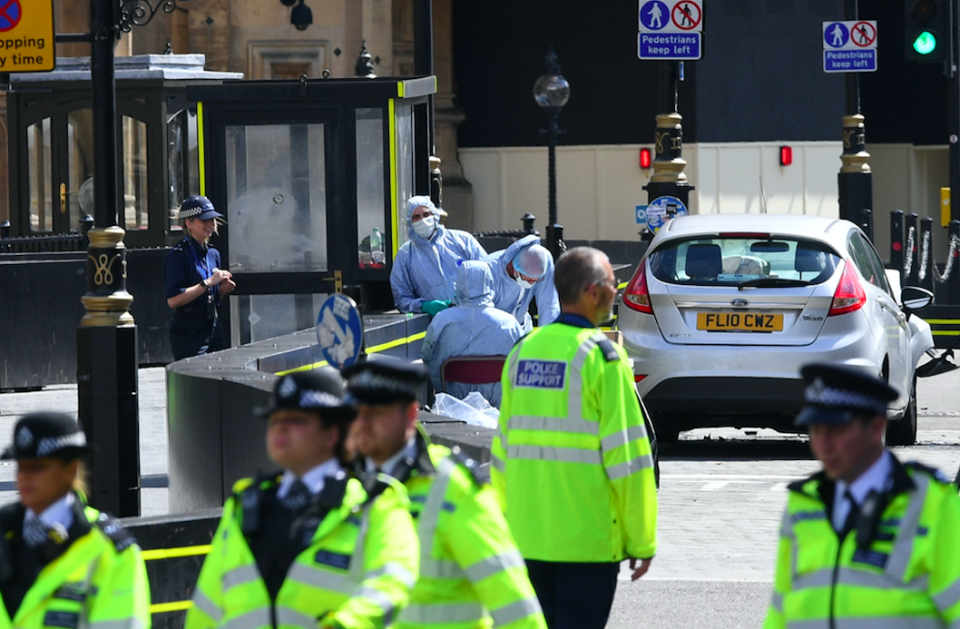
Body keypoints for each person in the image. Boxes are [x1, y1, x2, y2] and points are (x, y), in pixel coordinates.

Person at [492, 247, 657, 629]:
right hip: (587, 542)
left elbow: (502, 450)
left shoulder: (522, 352)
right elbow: (629, 459)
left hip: (525, 537)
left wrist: (500, 527)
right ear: (592, 291)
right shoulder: (602, 360)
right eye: (613, 285)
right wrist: (642, 538)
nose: (617, 292)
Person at [186, 369, 419, 629]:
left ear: (332, 434)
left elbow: (391, 585)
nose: (281, 427)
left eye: (297, 419)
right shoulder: (244, 504)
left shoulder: (377, 504)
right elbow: (206, 606)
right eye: (275, 419)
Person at [342, 356, 547, 629]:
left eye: (377, 412)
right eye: (356, 411)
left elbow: (514, 603)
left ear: (410, 415)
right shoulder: (344, 486)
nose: (363, 422)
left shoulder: (452, 486)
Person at [763, 363, 960, 629]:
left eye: (836, 430)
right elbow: (780, 615)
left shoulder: (932, 505)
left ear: (876, 427)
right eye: (816, 430)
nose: (824, 444)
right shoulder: (802, 506)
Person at [0, 412, 150, 628]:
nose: (24, 476)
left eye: (37, 467)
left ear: (71, 470)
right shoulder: (5, 530)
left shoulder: (111, 552)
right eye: (21, 467)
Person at [421, 261, 525, 407]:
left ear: (459, 283)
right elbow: (523, 361)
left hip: (453, 402)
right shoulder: (509, 323)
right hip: (498, 405)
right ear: (490, 282)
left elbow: (427, 356)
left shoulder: (442, 320)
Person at [165, 196, 236, 360]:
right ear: (189, 223)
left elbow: (211, 297)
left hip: (212, 325)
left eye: (212, 219)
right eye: (204, 220)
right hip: (188, 329)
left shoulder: (213, 253)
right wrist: (209, 282)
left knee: (217, 377)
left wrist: (222, 290)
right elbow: (173, 300)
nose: (210, 224)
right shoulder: (178, 255)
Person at [390, 196, 487, 317]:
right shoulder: (405, 255)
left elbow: (488, 273)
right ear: (409, 222)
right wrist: (425, 306)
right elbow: (401, 299)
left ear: (434, 214)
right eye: (416, 217)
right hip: (440, 323)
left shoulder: (462, 240)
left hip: (475, 315)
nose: (423, 220)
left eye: (426, 214)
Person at [486, 236, 559, 332]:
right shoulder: (489, 270)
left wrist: (548, 339)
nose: (532, 283)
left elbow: (549, 305)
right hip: (493, 332)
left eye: (536, 280)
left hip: (522, 328)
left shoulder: (543, 259)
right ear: (514, 268)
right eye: (529, 279)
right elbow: (482, 316)